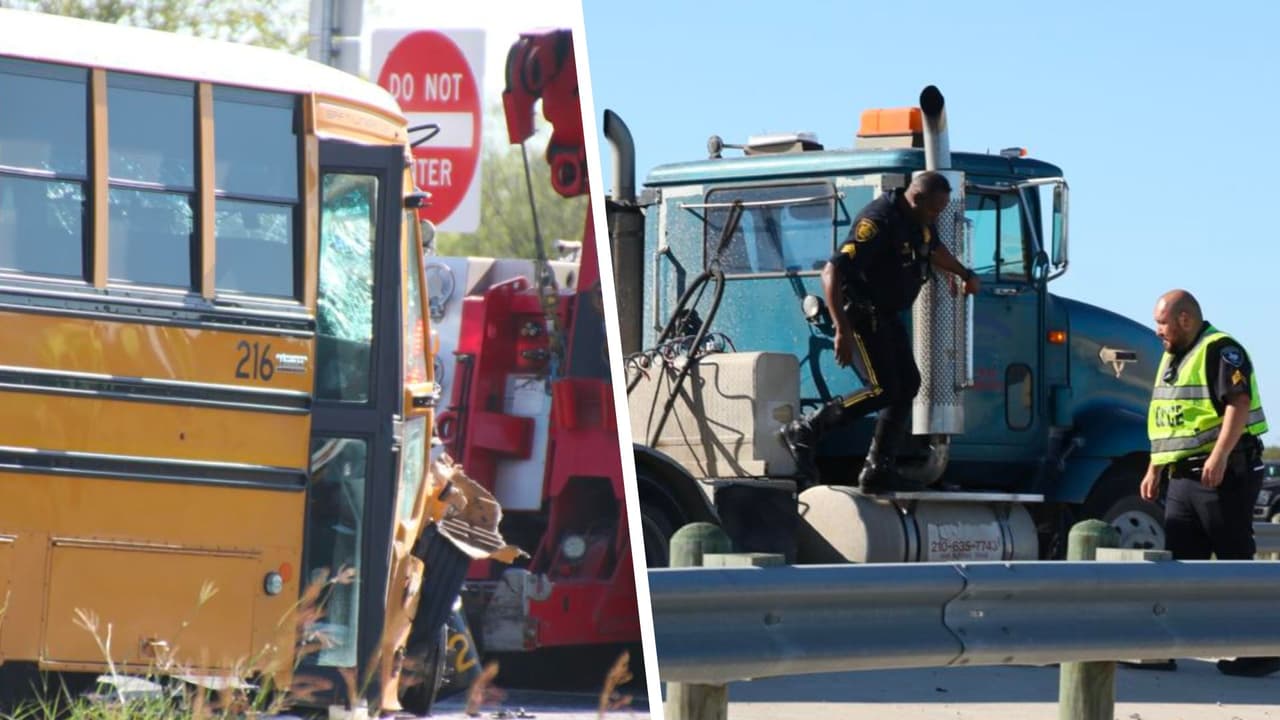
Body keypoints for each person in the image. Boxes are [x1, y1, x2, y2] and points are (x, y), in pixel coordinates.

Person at [779, 171, 979, 493]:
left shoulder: (918, 218)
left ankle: (878, 468)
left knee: (908, 384)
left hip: (886, 314)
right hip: (859, 315)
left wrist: (964, 273)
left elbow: (934, 248)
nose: (937, 215)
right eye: (935, 209)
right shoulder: (879, 220)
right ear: (918, 199)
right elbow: (832, 271)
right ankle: (805, 429)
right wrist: (842, 330)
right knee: (884, 389)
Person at [1139, 289, 1279, 677]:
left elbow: (1239, 403)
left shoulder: (1221, 349)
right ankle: (1170, 645)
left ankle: (1262, 649)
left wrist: (1218, 457)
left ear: (1185, 318)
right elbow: (1169, 419)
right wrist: (1155, 467)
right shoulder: (1173, 357)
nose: (1157, 330)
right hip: (1183, 477)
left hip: (1223, 473)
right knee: (1181, 563)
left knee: (1234, 560)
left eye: (1162, 322)